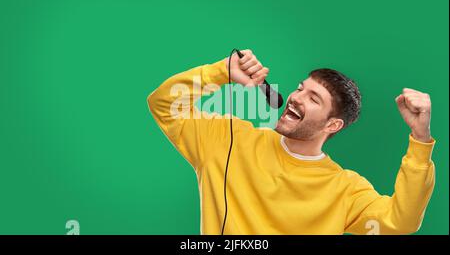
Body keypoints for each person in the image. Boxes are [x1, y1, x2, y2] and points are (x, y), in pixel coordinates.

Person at [147, 49, 435, 235]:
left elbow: (401, 221)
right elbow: (163, 104)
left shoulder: (345, 189)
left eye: (313, 98)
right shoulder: (229, 139)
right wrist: (222, 71)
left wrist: (420, 139)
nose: (296, 97)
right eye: (300, 88)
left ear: (332, 125)